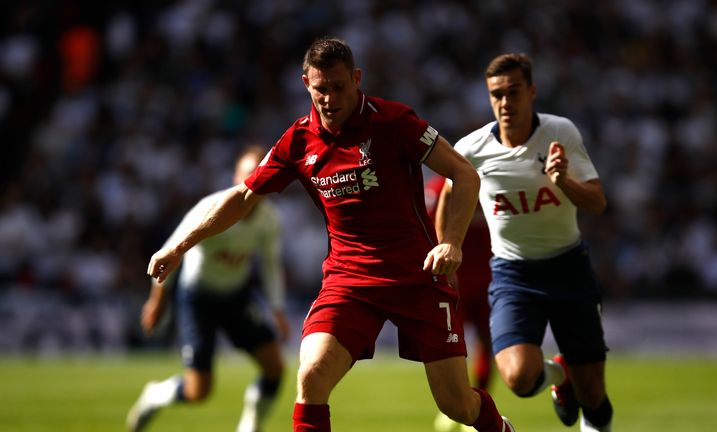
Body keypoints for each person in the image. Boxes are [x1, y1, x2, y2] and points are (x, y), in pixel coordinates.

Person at [146, 37, 514, 432]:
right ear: (306, 83)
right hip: (349, 281)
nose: (329, 97)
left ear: (356, 79)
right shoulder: (298, 140)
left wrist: (451, 242)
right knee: (311, 376)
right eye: (321, 88)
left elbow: (463, 173)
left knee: (458, 405)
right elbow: (243, 197)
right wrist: (181, 246)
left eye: (339, 87)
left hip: (416, 276)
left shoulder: (393, 121)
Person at [435, 53, 613, 432]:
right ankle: (558, 378)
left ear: (531, 92)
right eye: (496, 94)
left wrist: (563, 182)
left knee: (594, 394)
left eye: (513, 92)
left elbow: (597, 202)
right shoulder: (471, 149)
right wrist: (447, 245)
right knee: (517, 378)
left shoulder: (560, 132)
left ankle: (576, 384)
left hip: (569, 267)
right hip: (513, 274)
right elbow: (447, 196)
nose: (505, 103)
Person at [127, 146, 291, 432]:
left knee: (275, 367)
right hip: (198, 297)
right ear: (235, 177)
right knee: (198, 391)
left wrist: (277, 309)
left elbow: (270, 266)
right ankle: (155, 394)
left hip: (236, 296)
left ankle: (250, 426)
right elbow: (169, 254)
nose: (253, 179)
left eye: (259, 173)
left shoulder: (268, 220)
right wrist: (157, 302)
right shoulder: (211, 209)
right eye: (247, 173)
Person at [425, 175, 494, 432]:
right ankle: (458, 403)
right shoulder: (436, 189)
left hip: (490, 277)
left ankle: (480, 403)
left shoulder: (491, 182)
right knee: (453, 343)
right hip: (455, 279)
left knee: (487, 342)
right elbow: (428, 227)